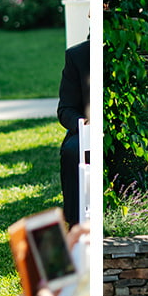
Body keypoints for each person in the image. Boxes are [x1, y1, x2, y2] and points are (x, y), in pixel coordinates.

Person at [58, 38, 89, 227]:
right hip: (87, 128)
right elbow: (66, 109)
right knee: (72, 150)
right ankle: (75, 222)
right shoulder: (77, 55)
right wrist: (85, 124)